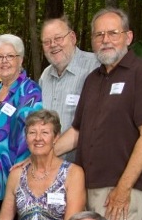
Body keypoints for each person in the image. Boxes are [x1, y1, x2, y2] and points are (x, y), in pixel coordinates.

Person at [55, 7, 142, 220]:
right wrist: (41, 156)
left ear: (128, 37)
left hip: (120, 191)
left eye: (113, 33)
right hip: (88, 187)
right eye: (99, 34)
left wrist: (123, 189)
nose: (105, 40)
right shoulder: (93, 79)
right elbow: (77, 132)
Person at [0, 34, 43, 213]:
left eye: (10, 56)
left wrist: (18, 172)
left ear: (21, 60)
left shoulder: (29, 91)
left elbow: (35, 133)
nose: (4, 61)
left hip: (14, 177)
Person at [39, 16, 100, 162]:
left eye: (58, 38)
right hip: (49, 169)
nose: (53, 45)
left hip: (84, 168)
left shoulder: (95, 67)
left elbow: (95, 125)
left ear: (72, 37)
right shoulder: (45, 76)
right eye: (47, 42)